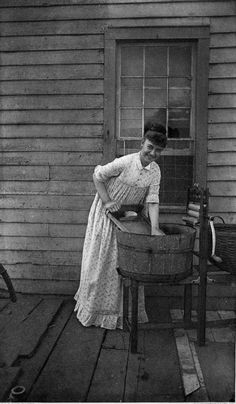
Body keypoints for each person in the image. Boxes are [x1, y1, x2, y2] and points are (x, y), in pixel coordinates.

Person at [74, 121, 167, 330]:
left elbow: (152, 199)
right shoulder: (125, 162)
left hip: (129, 218)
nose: (152, 153)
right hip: (107, 215)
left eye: (158, 151)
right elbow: (97, 176)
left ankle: (122, 314)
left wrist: (154, 227)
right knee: (103, 260)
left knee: (125, 261)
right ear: (142, 143)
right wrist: (107, 201)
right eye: (149, 147)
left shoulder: (155, 172)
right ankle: (96, 312)